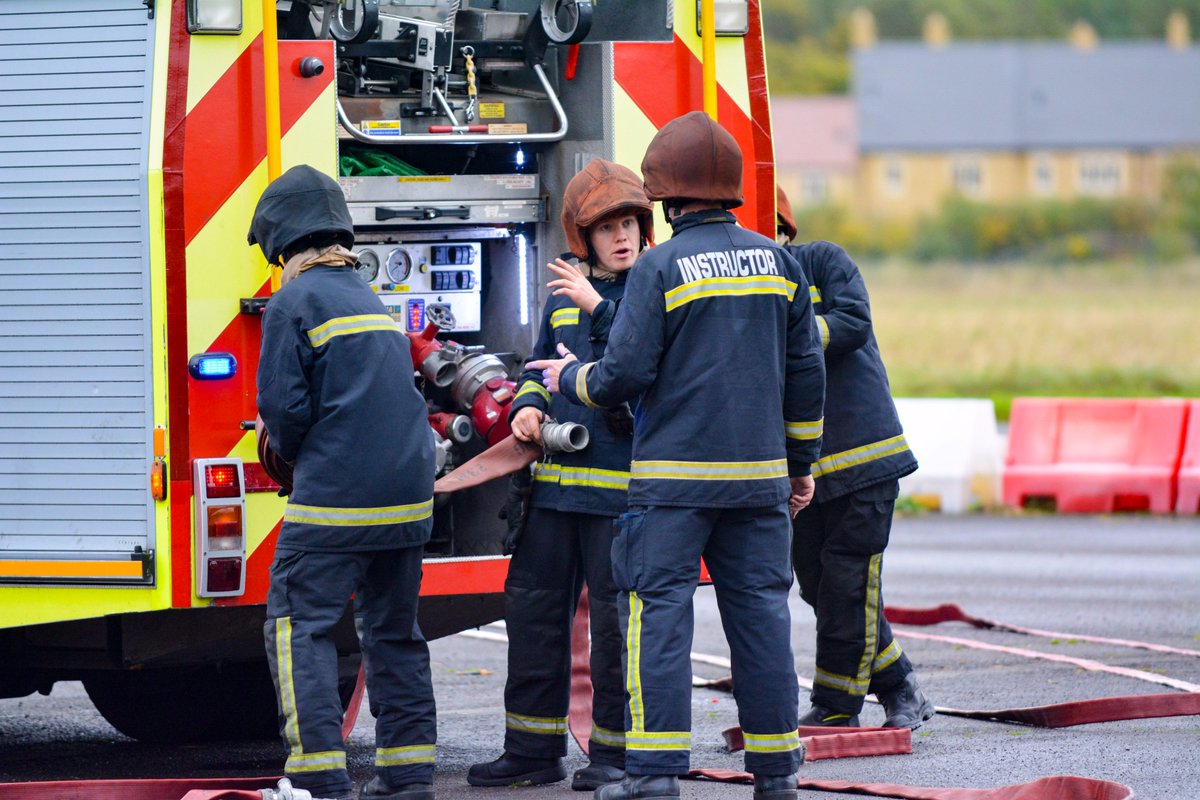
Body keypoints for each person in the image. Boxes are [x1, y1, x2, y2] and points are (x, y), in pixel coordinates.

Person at [528, 112, 826, 800]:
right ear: (729, 187)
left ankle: (656, 777)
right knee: (762, 623)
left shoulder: (660, 267)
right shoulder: (779, 262)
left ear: (664, 195)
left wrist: (565, 379)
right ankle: (777, 776)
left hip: (672, 491)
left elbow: (620, 376)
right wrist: (800, 463)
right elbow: (807, 372)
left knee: (659, 620)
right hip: (758, 485)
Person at [250, 165, 438, 800]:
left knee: (297, 625)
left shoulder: (292, 301)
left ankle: (318, 776)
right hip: (409, 502)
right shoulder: (370, 299)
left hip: (336, 503)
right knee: (393, 631)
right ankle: (409, 775)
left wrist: (293, 456)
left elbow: (285, 414)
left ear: (284, 245)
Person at [467, 159, 652, 792]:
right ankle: (531, 750)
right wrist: (524, 407)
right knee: (533, 613)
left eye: (630, 223)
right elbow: (533, 367)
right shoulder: (561, 300)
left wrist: (597, 303)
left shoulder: (651, 291)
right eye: (608, 228)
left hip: (621, 499)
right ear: (584, 237)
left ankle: (617, 754)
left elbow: (640, 371)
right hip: (552, 493)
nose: (622, 236)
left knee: (615, 630)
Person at [775, 186, 933, 730]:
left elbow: (853, 321)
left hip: (865, 463)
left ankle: (836, 706)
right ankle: (900, 682)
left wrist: (793, 333)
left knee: (848, 582)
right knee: (822, 587)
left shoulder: (822, 262)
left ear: (783, 230)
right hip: (807, 474)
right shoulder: (742, 294)